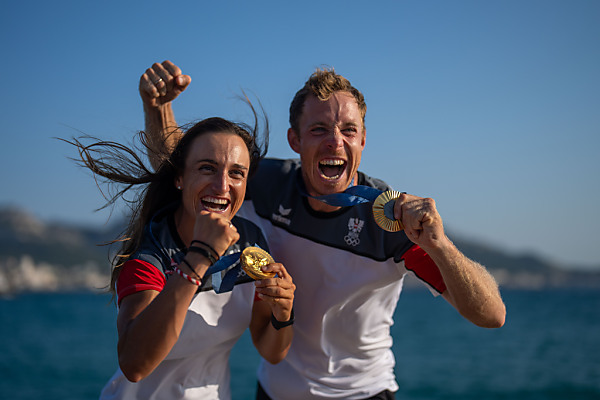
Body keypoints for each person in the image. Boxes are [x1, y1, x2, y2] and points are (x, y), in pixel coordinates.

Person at [140, 60, 506, 400]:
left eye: (349, 130)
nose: (335, 141)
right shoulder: (267, 184)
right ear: (295, 141)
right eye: (319, 130)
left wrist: (439, 244)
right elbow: (187, 175)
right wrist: (158, 109)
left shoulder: (390, 222)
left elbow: (491, 315)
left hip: (363, 393)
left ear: (363, 140)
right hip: (275, 391)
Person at [67, 109, 296, 399]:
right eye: (207, 168)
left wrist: (283, 313)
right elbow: (133, 364)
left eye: (236, 173)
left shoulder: (251, 242)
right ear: (179, 178)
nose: (222, 186)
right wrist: (199, 257)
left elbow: (272, 351)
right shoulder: (149, 258)